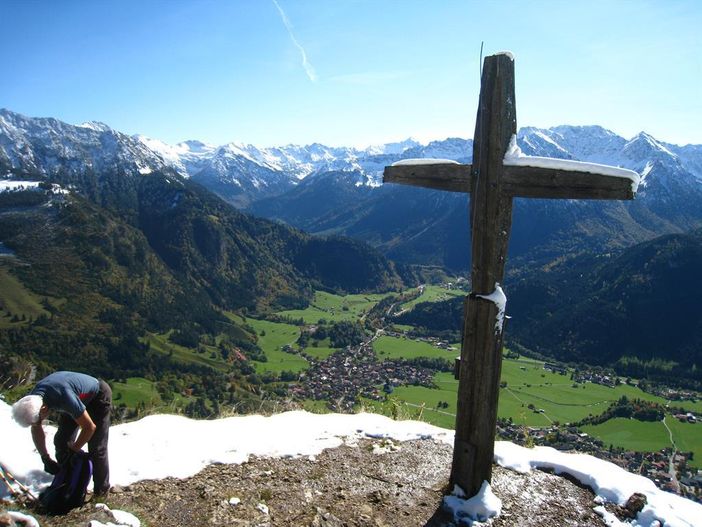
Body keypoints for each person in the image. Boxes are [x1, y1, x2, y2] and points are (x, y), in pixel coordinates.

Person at [11, 371, 112, 496]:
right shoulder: (32, 400)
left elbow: (89, 427)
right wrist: (45, 457)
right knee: (61, 441)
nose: (39, 423)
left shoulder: (64, 397)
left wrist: (73, 450)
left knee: (96, 447)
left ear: (44, 409)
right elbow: (36, 428)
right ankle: (67, 483)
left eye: (39, 420)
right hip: (76, 398)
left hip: (97, 396)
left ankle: (101, 492)